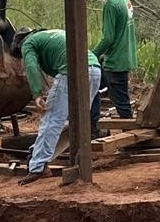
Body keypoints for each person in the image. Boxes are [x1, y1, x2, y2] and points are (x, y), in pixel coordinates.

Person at [11, 28, 101, 184]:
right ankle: (40, 153)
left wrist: (37, 94)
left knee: (51, 119)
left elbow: (32, 66)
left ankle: (37, 167)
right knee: (78, 121)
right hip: (94, 69)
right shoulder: (50, 35)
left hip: (71, 72)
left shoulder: (28, 44)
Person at [88, 0, 137, 135]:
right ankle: (94, 127)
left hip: (115, 60)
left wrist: (91, 54)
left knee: (121, 101)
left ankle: (129, 134)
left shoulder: (111, 5)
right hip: (125, 56)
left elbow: (108, 38)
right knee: (92, 86)